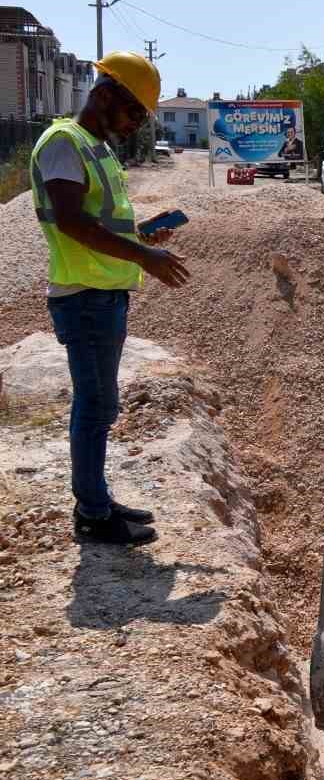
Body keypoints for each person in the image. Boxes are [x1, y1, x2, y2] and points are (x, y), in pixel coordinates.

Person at [30, 51, 192, 546]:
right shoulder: (64, 143)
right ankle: (94, 515)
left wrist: (142, 236)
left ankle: (97, 499)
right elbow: (72, 222)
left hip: (105, 293)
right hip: (85, 295)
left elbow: (102, 222)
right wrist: (143, 257)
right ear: (106, 95)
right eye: (134, 113)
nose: (135, 124)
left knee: (102, 405)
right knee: (95, 405)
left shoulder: (97, 149)